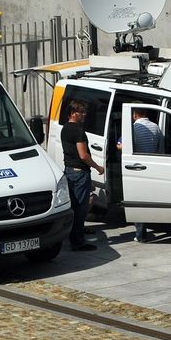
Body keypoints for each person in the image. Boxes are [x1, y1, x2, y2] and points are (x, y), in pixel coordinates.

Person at [61, 100, 104, 251]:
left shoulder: (65, 128)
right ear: (73, 113)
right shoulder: (78, 131)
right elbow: (83, 155)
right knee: (80, 207)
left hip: (70, 171)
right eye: (82, 112)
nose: (84, 115)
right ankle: (78, 242)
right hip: (79, 173)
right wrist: (98, 167)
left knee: (74, 206)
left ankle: (74, 234)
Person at [130, 108, 163, 242]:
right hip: (152, 165)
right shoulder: (156, 127)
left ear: (135, 114)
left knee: (137, 200)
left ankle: (140, 234)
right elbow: (160, 147)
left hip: (137, 167)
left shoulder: (133, 128)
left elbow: (123, 146)